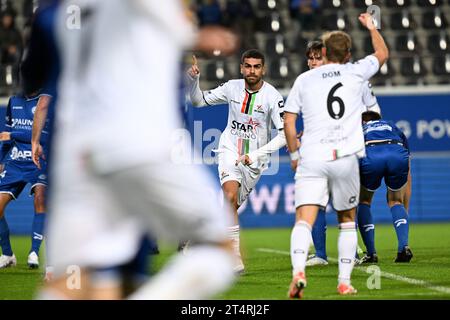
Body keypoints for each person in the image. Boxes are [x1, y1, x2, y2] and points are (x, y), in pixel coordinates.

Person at [39, 0, 238, 300]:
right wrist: (192, 34)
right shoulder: (145, 16)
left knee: (76, 279)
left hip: (75, 152)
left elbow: (39, 73)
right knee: (219, 248)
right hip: (135, 142)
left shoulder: (62, 11)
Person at [283, 13, 389, 298]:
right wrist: (371, 26)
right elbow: (382, 53)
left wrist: (294, 154)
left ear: (325, 53)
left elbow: (289, 121)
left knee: (303, 219)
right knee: (346, 220)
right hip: (345, 158)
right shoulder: (356, 72)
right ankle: (344, 281)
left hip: (313, 157)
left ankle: (298, 273)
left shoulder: (305, 79)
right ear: (349, 54)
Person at [186, 49, 286, 273]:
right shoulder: (231, 87)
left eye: (256, 66)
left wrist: (255, 155)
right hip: (229, 149)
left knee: (229, 209)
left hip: (254, 162)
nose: (252, 71)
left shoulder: (273, 97)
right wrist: (194, 80)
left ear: (263, 69)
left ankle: (202, 238)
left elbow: (283, 135)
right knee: (229, 196)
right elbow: (198, 101)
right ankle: (233, 257)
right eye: (248, 66)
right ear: (241, 68)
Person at [0, 91, 50, 269]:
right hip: (15, 162)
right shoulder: (14, 100)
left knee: (40, 197)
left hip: (38, 160)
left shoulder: (47, 100)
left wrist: (14, 135)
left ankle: (34, 252)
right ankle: (7, 254)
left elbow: (44, 136)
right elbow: (6, 134)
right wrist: (1, 159)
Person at [357, 111, 413, 263]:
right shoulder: (392, 126)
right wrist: (404, 212)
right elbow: (408, 170)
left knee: (364, 201)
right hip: (397, 153)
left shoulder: (359, 129)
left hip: (372, 152)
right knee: (396, 201)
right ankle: (404, 247)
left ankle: (371, 253)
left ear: (363, 121)